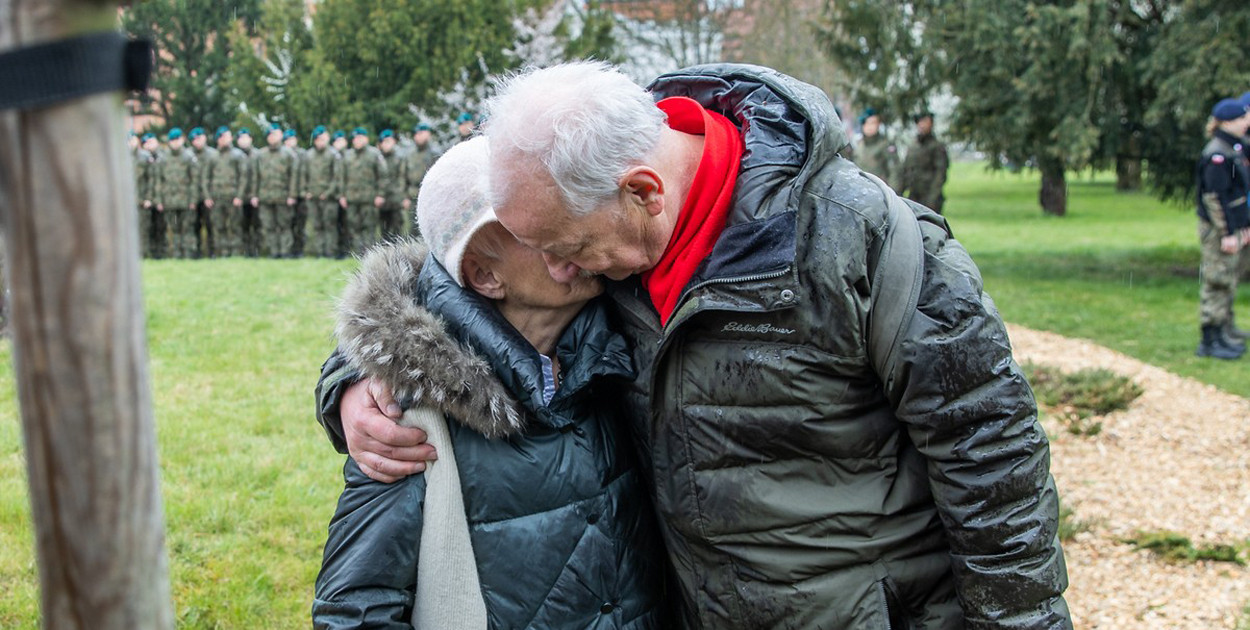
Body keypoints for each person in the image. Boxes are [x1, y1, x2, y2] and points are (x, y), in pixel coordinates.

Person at [317, 62, 1072, 629]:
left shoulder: (860, 239)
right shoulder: (596, 224)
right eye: (543, 250)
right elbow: (453, 302)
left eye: (572, 248)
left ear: (645, 192)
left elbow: (994, 463)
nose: (565, 271)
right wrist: (356, 382)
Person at [312, 137, 668, 629]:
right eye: (535, 230)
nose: (569, 230)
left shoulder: (630, 327)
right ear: (484, 276)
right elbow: (353, 609)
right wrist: (351, 378)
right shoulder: (408, 414)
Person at [1194, 98, 1250, 360]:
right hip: (1218, 230)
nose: (1246, 122)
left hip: (1231, 226)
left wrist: (1243, 226)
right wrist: (1228, 233)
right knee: (1216, 281)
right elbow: (1215, 197)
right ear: (1227, 122)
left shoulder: (1233, 147)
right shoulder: (1217, 153)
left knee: (1226, 279)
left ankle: (1222, 334)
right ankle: (1209, 339)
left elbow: (1238, 193)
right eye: (1242, 118)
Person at [252, 124, 300, 258]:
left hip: (283, 197)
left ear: (280, 136)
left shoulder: (289, 154)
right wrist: (254, 195)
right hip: (265, 197)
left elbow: (294, 176)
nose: (273, 138)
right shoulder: (260, 154)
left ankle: (285, 252)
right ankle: (274, 252)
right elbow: (256, 176)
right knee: (269, 226)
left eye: (276, 134)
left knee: (284, 226)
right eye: (270, 135)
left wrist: (292, 195)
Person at [339, 127, 387, 255]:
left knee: (369, 227)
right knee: (354, 227)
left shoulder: (374, 154)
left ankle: (369, 253)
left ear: (366, 138)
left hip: (369, 199)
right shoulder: (347, 155)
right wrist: (342, 195)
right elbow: (342, 177)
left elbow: (382, 176)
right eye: (355, 138)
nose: (357, 141)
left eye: (360, 138)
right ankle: (357, 252)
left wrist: (380, 195)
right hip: (352, 198)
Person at [203, 126, 248, 257]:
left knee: (235, 226)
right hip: (216, 197)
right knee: (219, 226)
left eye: (228, 136)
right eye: (223, 137)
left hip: (233, 196)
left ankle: (235, 252)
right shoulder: (212, 157)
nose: (226, 139)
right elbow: (206, 178)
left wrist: (240, 196)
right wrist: (207, 196)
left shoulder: (238, 155)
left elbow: (243, 177)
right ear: (218, 139)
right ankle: (222, 252)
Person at [156, 127, 198, 259]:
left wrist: (193, 199)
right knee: (174, 229)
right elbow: (159, 180)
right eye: (172, 140)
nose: (175, 142)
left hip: (186, 201)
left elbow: (194, 180)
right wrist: (159, 200)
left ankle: (187, 255)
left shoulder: (189, 157)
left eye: (177, 139)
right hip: (170, 202)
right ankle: (176, 255)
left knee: (187, 228)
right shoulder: (163, 158)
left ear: (182, 140)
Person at [899, 110, 950, 214]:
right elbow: (906, 170)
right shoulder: (913, 146)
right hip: (913, 195)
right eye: (920, 122)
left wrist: (933, 197)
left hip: (930, 196)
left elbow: (940, 173)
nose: (922, 125)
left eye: (926, 122)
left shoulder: (937, 146)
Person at [304, 125, 342, 258]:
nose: (320, 142)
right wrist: (306, 191)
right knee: (317, 226)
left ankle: (331, 252)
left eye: (323, 139)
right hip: (312, 198)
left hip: (328, 198)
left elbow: (337, 177)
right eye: (318, 139)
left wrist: (327, 193)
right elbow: (303, 175)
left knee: (330, 226)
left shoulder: (333, 154)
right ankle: (320, 252)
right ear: (314, 141)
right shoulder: (308, 155)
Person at [402, 122, 437, 237]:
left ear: (428, 134)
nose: (419, 136)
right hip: (413, 195)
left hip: (429, 196)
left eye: (422, 133)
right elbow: (404, 176)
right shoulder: (410, 155)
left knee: (430, 227)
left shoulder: (435, 153)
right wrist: (405, 197)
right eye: (417, 134)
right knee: (412, 228)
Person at [854, 108, 899, 189]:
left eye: (874, 123)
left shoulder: (885, 145)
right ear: (863, 125)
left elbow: (894, 171)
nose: (871, 127)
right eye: (868, 123)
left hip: (881, 192)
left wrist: (893, 194)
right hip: (861, 192)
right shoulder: (859, 147)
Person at [236, 128, 262, 257]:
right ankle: (245, 251)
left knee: (256, 226)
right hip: (239, 197)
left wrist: (256, 194)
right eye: (241, 138)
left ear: (251, 139)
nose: (243, 141)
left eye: (246, 138)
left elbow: (261, 176)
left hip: (254, 196)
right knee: (242, 226)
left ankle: (256, 251)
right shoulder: (234, 155)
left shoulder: (258, 155)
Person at [377, 129, 407, 240]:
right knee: (383, 229)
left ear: (394, 142)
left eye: (389, 141)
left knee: (397, 229)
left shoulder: (400, 157)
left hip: (396, 198)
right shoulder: (378, 157)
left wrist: (403, 197)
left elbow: (402, 177)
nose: (386, 144)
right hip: (382, 199)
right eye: (384, 142)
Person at [134, 132, 159, 258]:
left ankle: (148, 254)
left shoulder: (147, 157)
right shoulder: (124, 157)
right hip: (135, 200)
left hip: (150, 200)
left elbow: (152, 180)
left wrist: (150, 198)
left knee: (150, 229)